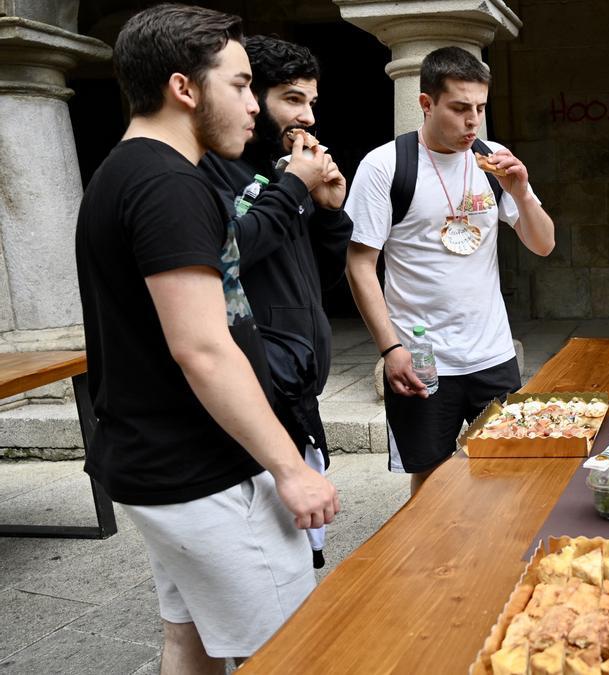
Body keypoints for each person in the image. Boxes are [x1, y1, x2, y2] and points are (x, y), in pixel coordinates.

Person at [75, 4, 339, 669]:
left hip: (158, 464)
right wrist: (290, 469)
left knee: (187, 637)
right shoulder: (168, 185)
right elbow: (203, 345)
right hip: (206, 472)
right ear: (183, 87)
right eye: (242, 84)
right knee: (290, 651)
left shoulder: (125, 171)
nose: (255, 106)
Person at [344, 47, 554, 498]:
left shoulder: (493, 159)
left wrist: (520, 191)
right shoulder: (385, 167)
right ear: (426, 103)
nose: (472, 122)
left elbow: (543, 243)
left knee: (510, 475)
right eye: (460, 108)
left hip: (492, 353)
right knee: (432, 483)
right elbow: (360, 264)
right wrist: (390, 348)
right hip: (423, 360)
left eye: (480, 107)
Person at [198, 35, 352, 569]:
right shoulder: (212, 169)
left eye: (311, 101)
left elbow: (321, 280)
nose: (307, 116)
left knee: (297, 565)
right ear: (251, 97)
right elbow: (227, 254)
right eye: (291, 99)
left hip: (295, 389)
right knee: (269, 574)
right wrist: (290, 191)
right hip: (252, 391)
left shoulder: (284, 166)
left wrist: (330, 211)